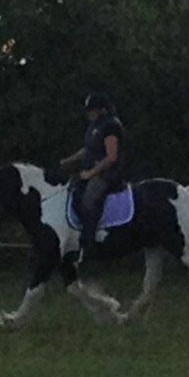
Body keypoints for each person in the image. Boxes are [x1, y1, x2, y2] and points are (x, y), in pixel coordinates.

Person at [59, 92, 127, 261]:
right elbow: (88, 150)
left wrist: (90, 173)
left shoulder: (111, 126)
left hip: (108, 174)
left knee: (90, 199)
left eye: (92, 110)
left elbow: (111, 157)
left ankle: (90, 244)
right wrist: (68, 160)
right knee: (72, 192)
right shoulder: (94, 126)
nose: (89, 113)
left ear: (101, 110)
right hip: (90, 171)